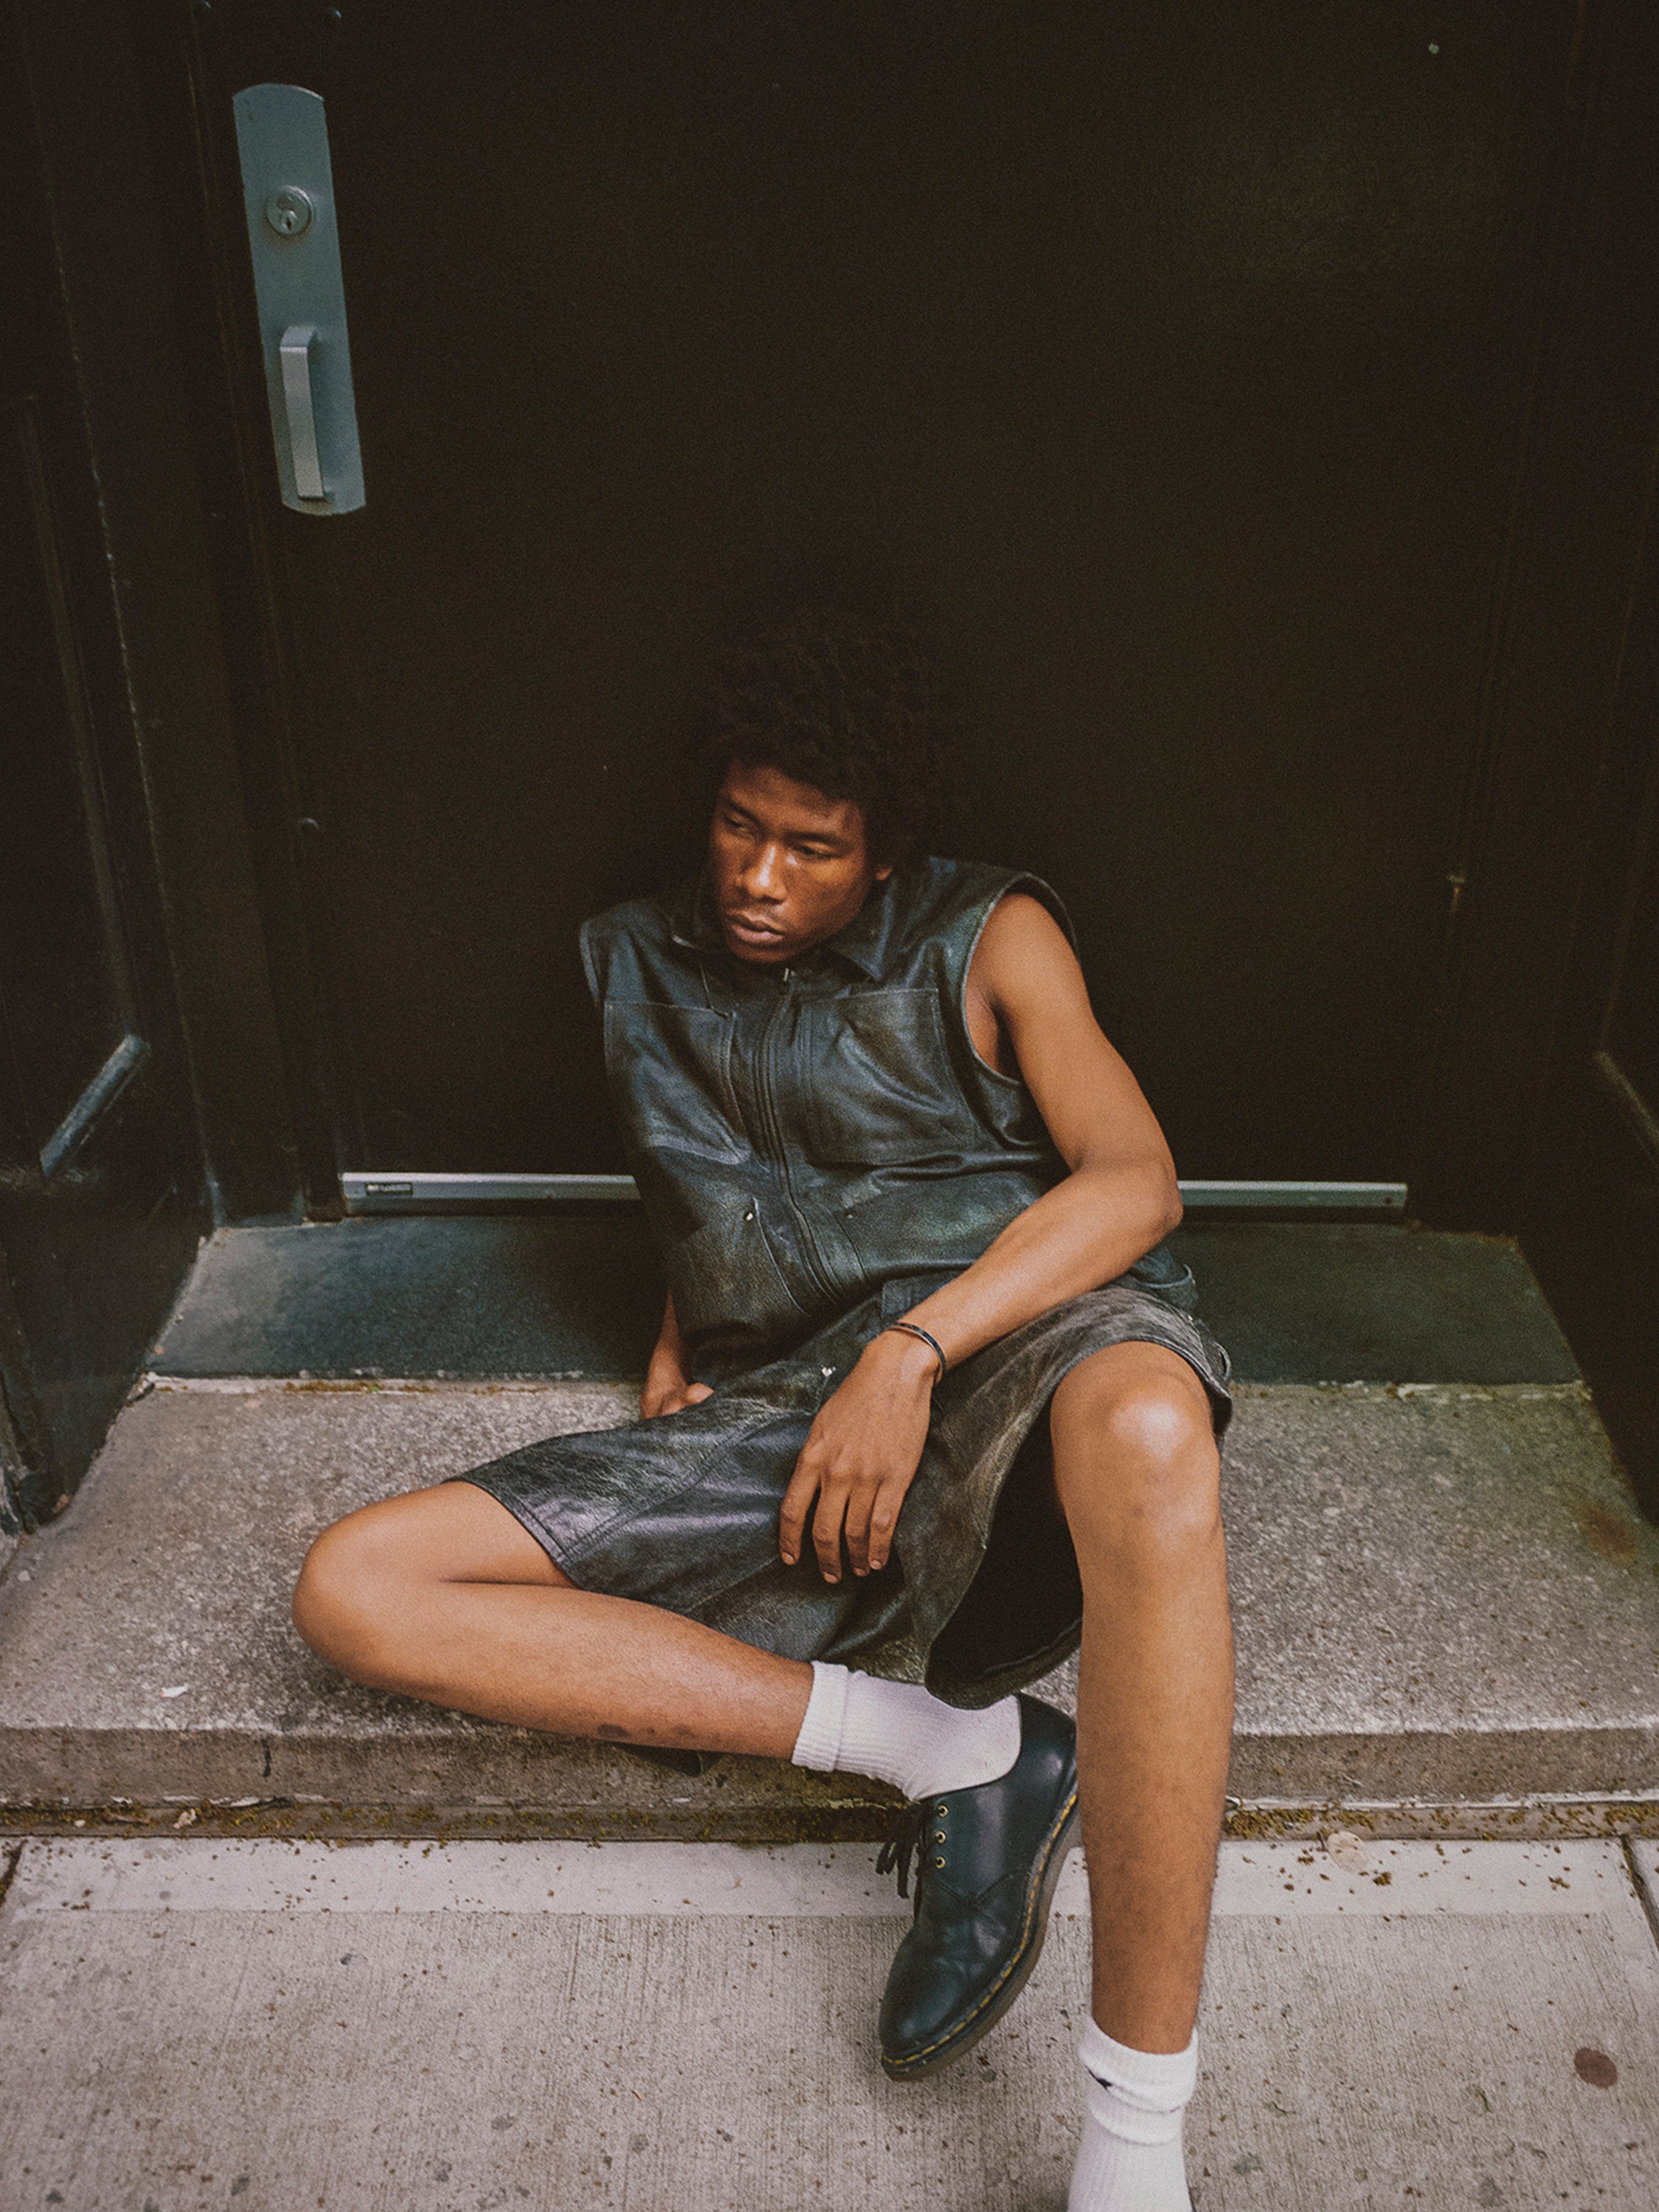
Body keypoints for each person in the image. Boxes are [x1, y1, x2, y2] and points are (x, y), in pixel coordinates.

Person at [293, 608, 1234, 2211]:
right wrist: (689, 1316)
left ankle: (1136, 2143)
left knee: (1152, 1426)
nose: (762, 878)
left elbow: (1136, 1181)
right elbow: (725, 1164)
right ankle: (955, 1752)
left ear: (887, 856)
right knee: (357, 1587)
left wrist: (915, 1351)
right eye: (743, 825)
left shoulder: (991, 933)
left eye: (815, 847)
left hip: (1019, 1337)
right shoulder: (633, 962)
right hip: (793, 1415)